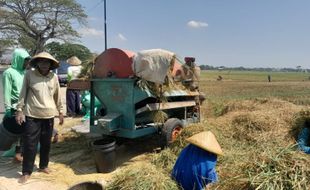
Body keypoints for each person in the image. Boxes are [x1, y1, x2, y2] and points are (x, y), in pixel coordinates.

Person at [15, 52, 64, 183]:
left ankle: (43, 166)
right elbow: (23, 93)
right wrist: (19, 110)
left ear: (51, 64)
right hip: (32, 115)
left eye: (47, 62)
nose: (44, 64)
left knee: (46, 143)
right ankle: (26, 171)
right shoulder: (29, 75)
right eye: (41, 61)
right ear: (37, 63)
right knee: (30, 144)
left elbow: (57, 95)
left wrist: (60, 111)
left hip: (48, 115)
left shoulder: (53, 77)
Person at [2, 48, 31, 162]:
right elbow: (7, 92)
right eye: (25, 60)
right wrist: (8, 108)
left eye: (28, 60)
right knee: (18, 131)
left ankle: (20, 153)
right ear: (19, 59)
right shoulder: (9, 73)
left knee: (25, 131)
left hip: (27, 106)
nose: (27, 63)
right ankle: (17, 153)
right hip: (15, 107)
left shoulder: (26, 73)